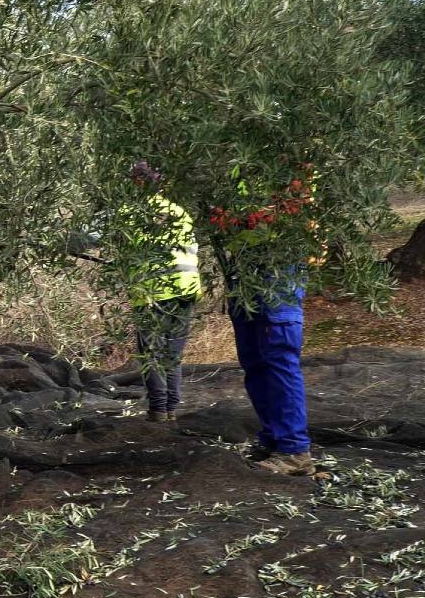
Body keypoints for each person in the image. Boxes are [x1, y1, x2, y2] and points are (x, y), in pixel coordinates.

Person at [210, 166, 317, 477]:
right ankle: (273, 438)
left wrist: (239, 217)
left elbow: (281, 215)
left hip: (276, 274)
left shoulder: (288, 170)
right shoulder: (236, 172)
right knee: (255, 362)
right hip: (244, 275)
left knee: (279, 361)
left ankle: (295, 450)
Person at [122, 161, 202, 422]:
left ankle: (158, 409)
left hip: (153, 293)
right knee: (173, 353)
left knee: (152, 353)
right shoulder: (180, 212)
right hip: (186, 290)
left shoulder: (130, 213)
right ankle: (170, 407)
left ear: (136, 182)